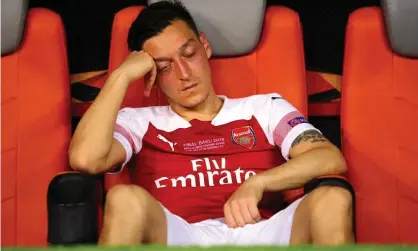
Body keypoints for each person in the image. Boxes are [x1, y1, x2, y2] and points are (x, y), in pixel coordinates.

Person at [69, 0, 354, 246]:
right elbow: (85, 160)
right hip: (182, 236)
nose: (184, 73)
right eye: (164, 67)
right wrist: (120, 77)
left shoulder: (264, 108)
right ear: (149, 75)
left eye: (189, 54)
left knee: (332, 199)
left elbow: (328, 157)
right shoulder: (139, 122)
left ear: (205, 47)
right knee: (122, 199)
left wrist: (259, 183)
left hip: (263, 234)